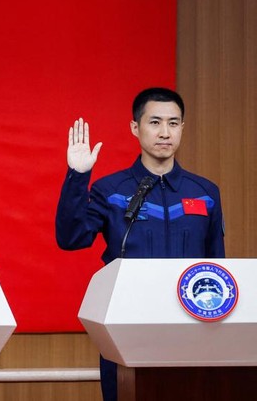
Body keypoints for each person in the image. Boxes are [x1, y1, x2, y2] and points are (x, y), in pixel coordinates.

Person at [55, 87, 225, 401]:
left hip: (192, 330)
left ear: (182, 129)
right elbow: (71, 238)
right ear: (136, 128)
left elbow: (217, 267)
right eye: (155, 122)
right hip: (126, 328)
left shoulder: (205, 192)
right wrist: (78, 176)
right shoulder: (111, 190)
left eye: (173, 124)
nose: (165, 133)